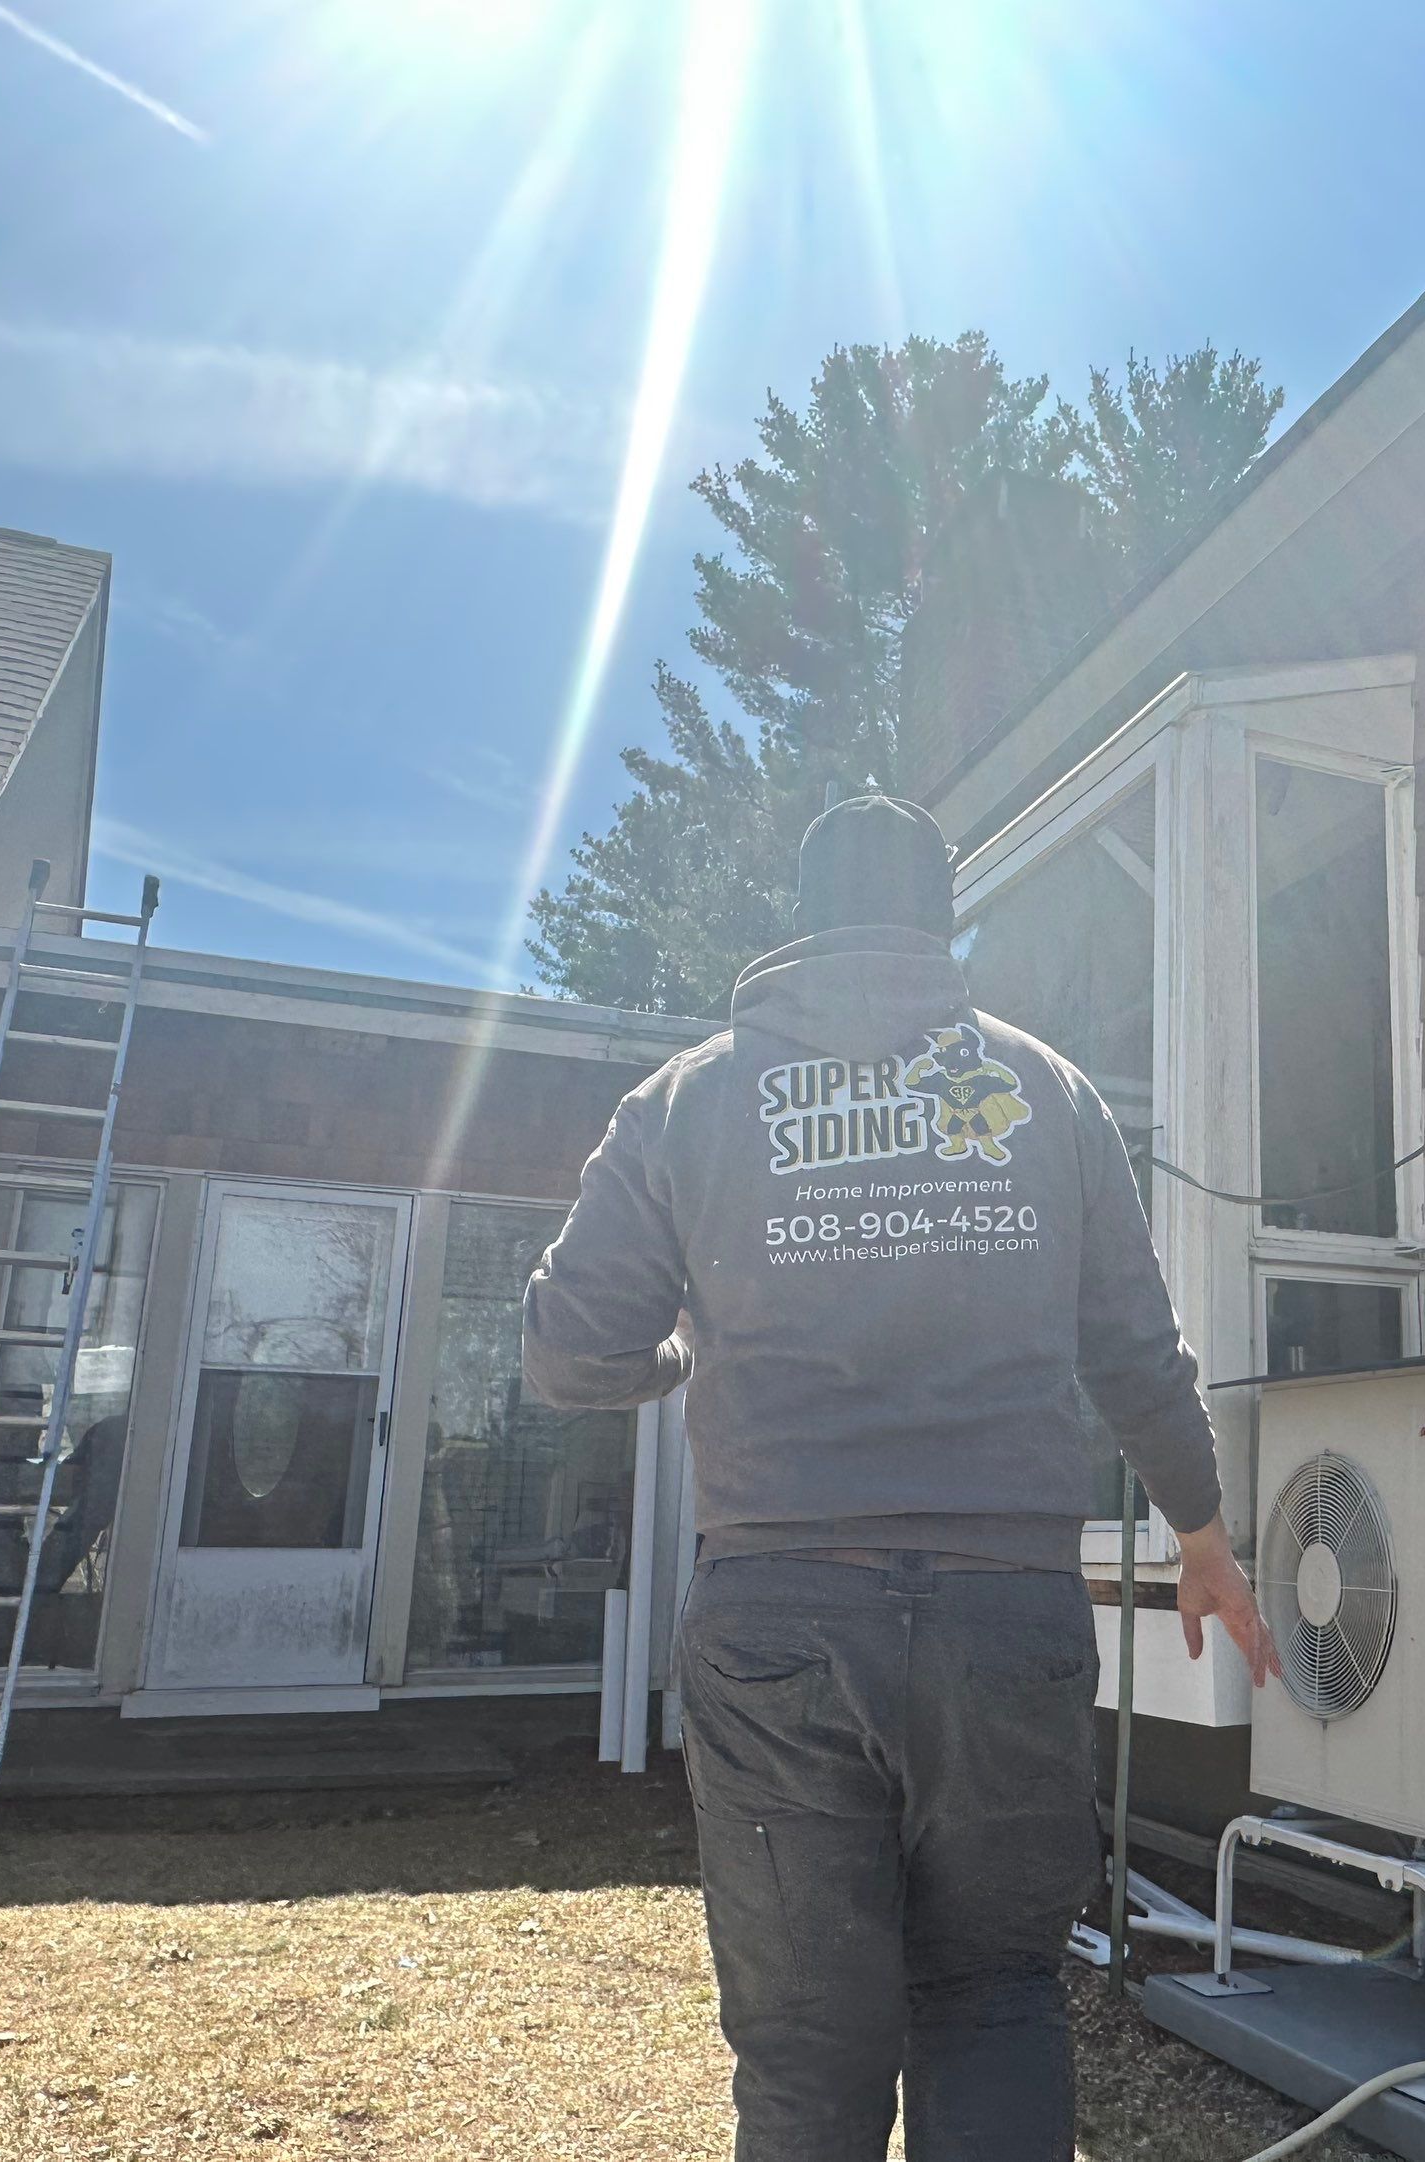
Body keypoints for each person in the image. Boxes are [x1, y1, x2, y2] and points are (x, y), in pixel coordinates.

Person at [523, 791, 1273, 2162]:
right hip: (1007, 1621)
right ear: (942, 925)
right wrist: (1203, 1537)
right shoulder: (1046, 1091)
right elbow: (1135, 1348)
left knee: (808, 2051)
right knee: (990, 1994)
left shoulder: (688, 1097)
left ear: (804, 926)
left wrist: (683, 1361)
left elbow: (570, 1352)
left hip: (777, 1617)